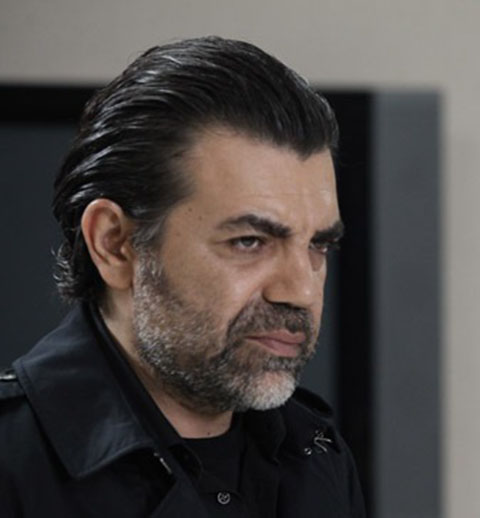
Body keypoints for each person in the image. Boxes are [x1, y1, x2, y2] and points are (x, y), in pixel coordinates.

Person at [0, 36, 365, 517]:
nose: (300, 290)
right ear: (114, 243)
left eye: (318, 245)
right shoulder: (11, 462)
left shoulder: (318, 454)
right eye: (249, 241)